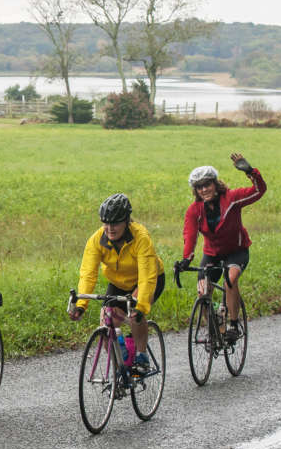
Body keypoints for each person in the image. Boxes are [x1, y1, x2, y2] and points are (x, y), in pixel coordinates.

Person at [69, 193, 165, 373]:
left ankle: (142, 356)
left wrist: (141, 307)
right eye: (105, 223)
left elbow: (147, 276)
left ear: (127, 221)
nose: (109, 228)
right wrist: (81, 305)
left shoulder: (141, 237)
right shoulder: (97, 240)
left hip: (147, 279)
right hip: (118, 283)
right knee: (106, 323)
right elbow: (88, 274)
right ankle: (121, 365)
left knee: (134, 311)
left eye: (115, 223)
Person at [176, 153, 267, 343]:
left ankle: (233, 324)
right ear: (195, 190)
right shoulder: (194, 210)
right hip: (212, 254)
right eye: (199, 187)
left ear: (215, 184)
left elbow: (259, 191)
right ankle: (216, 330)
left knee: (230, 280)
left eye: (207, 184)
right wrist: (186, 258)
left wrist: (251, 172)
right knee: (202, 291)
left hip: (237, 251)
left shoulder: (232, 198)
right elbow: (190, 235)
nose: (204, 189)